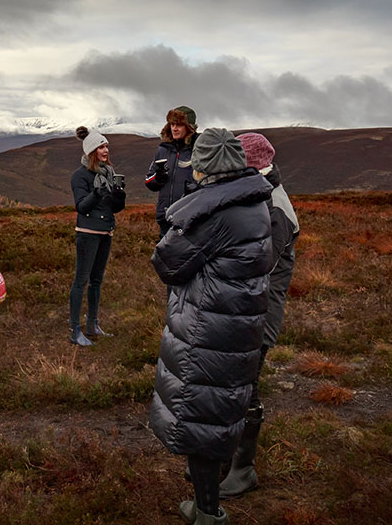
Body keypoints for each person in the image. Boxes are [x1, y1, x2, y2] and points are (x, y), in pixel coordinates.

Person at [148, 128, 273, 525]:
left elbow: (168, 262)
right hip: (234, 324)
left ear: (206, 167)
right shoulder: (253, 202)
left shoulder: (216, 214)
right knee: (217, 411)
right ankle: (209, 500)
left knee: (202, 415)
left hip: (209, 327)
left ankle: (207, 512)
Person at [217, 133, 300, 498]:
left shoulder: (275, 210)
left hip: (258, 315)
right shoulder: (257, 195)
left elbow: (257, 265)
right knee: (229, 385)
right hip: (239, 310)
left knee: (245, 388)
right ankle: (225, 459)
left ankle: (243, 468)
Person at [69, 126, 126, 346]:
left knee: (96, 281)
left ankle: (92, 324)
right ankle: (75, 330)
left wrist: (119, 198)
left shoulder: (109, 173)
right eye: (101, 147)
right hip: (88, 234)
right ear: (92, 151)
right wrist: (96, 193)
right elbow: (81, 207)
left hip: (106, 231)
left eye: (106, 146)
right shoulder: (80, 176)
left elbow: (115, 209)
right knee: (80, 281)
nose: (106, 150)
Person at [146, 106, 201, 238]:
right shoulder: (163, 149)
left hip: (190, 218)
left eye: (179, 125)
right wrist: (158, 178)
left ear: (189, 127)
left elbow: (209, 182)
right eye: (172, 124)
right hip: (165, 218)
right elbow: (148, 181)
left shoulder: (199, 149)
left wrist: (195, 189)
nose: (174, 128)